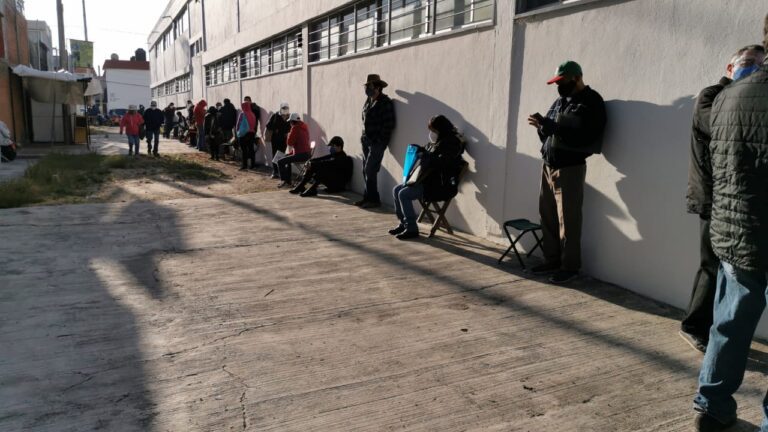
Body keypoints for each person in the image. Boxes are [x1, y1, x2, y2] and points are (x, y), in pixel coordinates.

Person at [691, 24, 768, 432]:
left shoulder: (727, 97)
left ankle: (712, 407)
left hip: (738, 235)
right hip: (741, 230)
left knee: (730, 325)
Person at [680, 44, 766, 354]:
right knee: (711, 265)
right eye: (748, 62)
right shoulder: (711, 95)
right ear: (730, 68)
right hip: (711, 196)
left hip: (733, 199)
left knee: (730, 270)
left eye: (759, 64)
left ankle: (718, 328)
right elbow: (720, 126)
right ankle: (693, 326)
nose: (754, 68)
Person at [527, 60, 606, 284]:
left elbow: (586, 136)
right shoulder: (560, 101)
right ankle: (552, 260)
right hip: (548, 165)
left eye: (562, 81)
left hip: (570, 168)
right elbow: (550, 132)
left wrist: (554, 128)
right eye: (556, 82)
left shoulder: (591, 102)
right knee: (548, 216)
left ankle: (570, 266)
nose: (559, 86)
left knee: (568, 220)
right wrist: (542, 127)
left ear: (577, 78)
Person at [389, 115, 465, 240]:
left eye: (433, 130)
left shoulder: (452, 143)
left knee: (404, 194)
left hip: (439, 185)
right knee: (396, 189)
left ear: (440, 129)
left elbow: (443, 163)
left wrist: (426, 156)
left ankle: (412, 228)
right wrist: (419, 149)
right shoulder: (438, 141)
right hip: (427, 181)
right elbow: (428, 151)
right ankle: (404, 224)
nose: (431, 133)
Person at [356, 74, 396, 208]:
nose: (367, 89)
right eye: (366, 86)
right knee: (365, 170)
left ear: (378, 88)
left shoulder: (385, 102)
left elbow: (389, 124)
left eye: (370, 86)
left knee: (370, 169)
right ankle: (367, 197)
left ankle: (374, 199)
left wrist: (378, 139)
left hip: (377, 142)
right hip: (366, 140)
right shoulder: (368, 101)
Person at [277, 113, 311, 187]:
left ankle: (284, 180)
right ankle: (288, 181)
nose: (290, 123)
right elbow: (300, 144)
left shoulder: (295, 128)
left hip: (301, 155)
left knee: (280, 162)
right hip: (307, 154)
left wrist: (288, 134)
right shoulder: (304, 127)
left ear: (292, 121)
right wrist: (290, 153)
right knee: (287, 159)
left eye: (290, 122)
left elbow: (289, 143)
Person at [265, 102, 292, 178]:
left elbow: (291, 127)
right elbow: (268, 125)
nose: (285, 109)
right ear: (280, 108)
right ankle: (275, 171)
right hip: (275, 139)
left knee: (281, 155)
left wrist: (287, 132)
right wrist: (275, 129)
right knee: (275, 154)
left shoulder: (289, 117)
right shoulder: (275, 115)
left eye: (286, 108)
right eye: (283, 108)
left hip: (284, 139)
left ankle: (281, 171)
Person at [236, 102, 257, 170]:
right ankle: (252, 165)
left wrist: (237, 132)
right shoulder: (253, 114)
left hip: (244, 134)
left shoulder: (242, 114)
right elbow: (254, 124)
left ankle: (244, 165)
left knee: (244, 150)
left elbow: (238, 124)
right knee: (251, 149)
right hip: (252, 133)